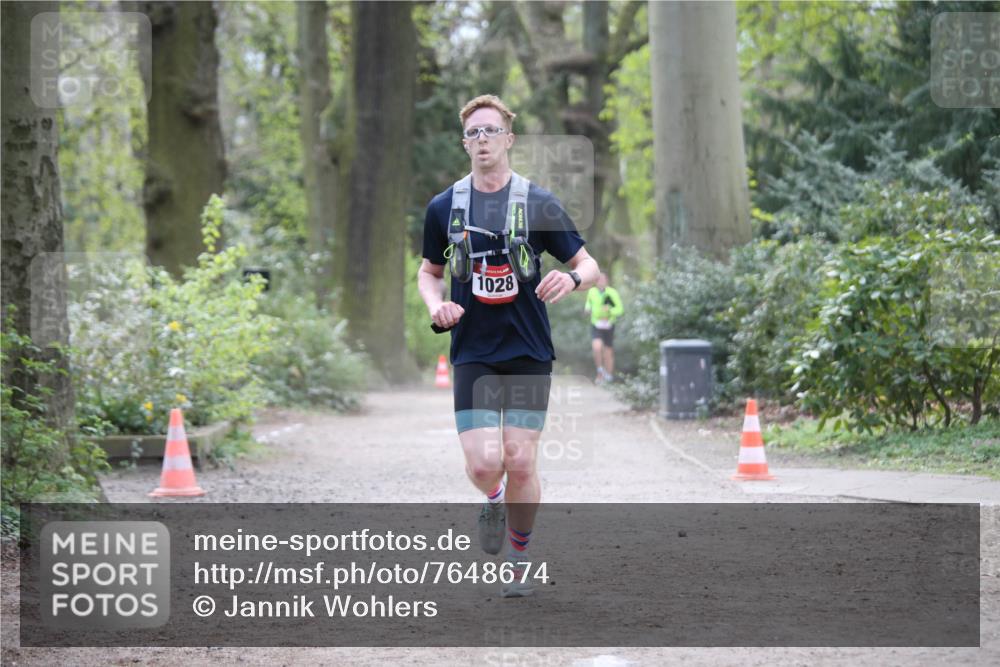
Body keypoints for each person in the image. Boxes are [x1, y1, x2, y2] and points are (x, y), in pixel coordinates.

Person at [417, 94, 600, 598]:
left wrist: (573, 280)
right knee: (483, 464)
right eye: (473, 133)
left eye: (490, 131)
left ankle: (519, 559)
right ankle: (492, 498)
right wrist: (436, 305)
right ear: (465, 143)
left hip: (527, 351)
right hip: (473, 350)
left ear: (508, 139)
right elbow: (429, 272)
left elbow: (589, 265)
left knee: (521, 459)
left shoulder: (536, 202)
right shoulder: (444, 207)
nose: (481, 140)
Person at [584, 273, 623, 383]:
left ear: (607, 281)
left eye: (603, 279)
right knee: (596, 347)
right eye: (599, 280)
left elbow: (620, 309)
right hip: (596, 324)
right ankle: (600, 372)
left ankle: (609, 376)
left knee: (608, 351)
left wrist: (610, 310)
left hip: (609, 325)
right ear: (596, 281)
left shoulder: (612, 292)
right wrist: (587, 309)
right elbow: (588, 303)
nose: (601, 281)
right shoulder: (592, 291)